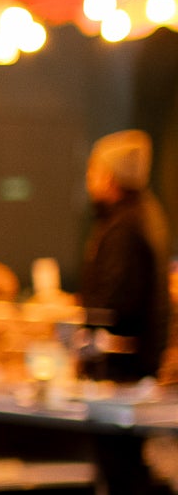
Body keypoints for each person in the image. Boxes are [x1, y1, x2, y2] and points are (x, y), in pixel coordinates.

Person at [80, 129, 171, 383]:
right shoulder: (144, 214)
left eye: (92, 169)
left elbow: (114, 301)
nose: (88, 178)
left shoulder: (125, 226)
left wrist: (82, 322)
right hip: (137, 363)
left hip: (120, 369)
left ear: (109, 177)